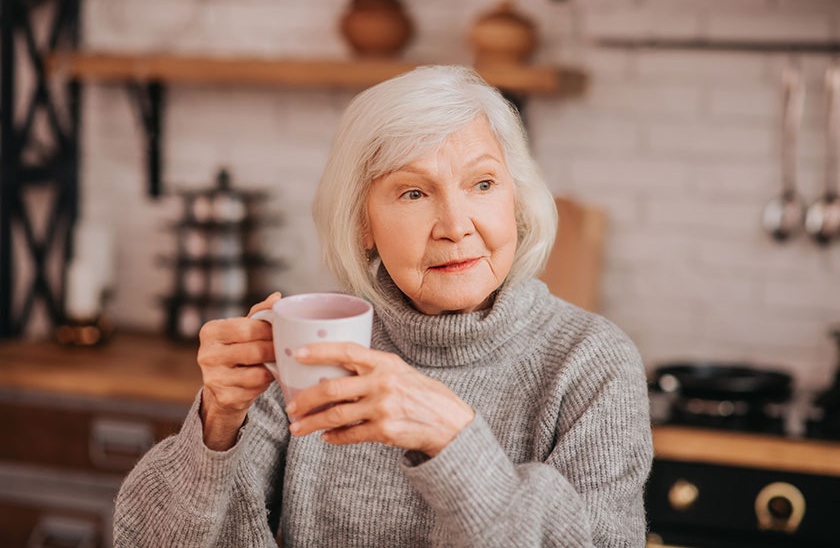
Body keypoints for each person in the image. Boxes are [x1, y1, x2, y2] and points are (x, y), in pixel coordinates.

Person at [114, 65, 653, 547]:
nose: (455, 226)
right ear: (362, 225)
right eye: (413, 193)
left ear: (516, 199)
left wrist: (453, 440)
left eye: (483, 183)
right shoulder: (314, 347)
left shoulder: (592, 362)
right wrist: (216, 425)